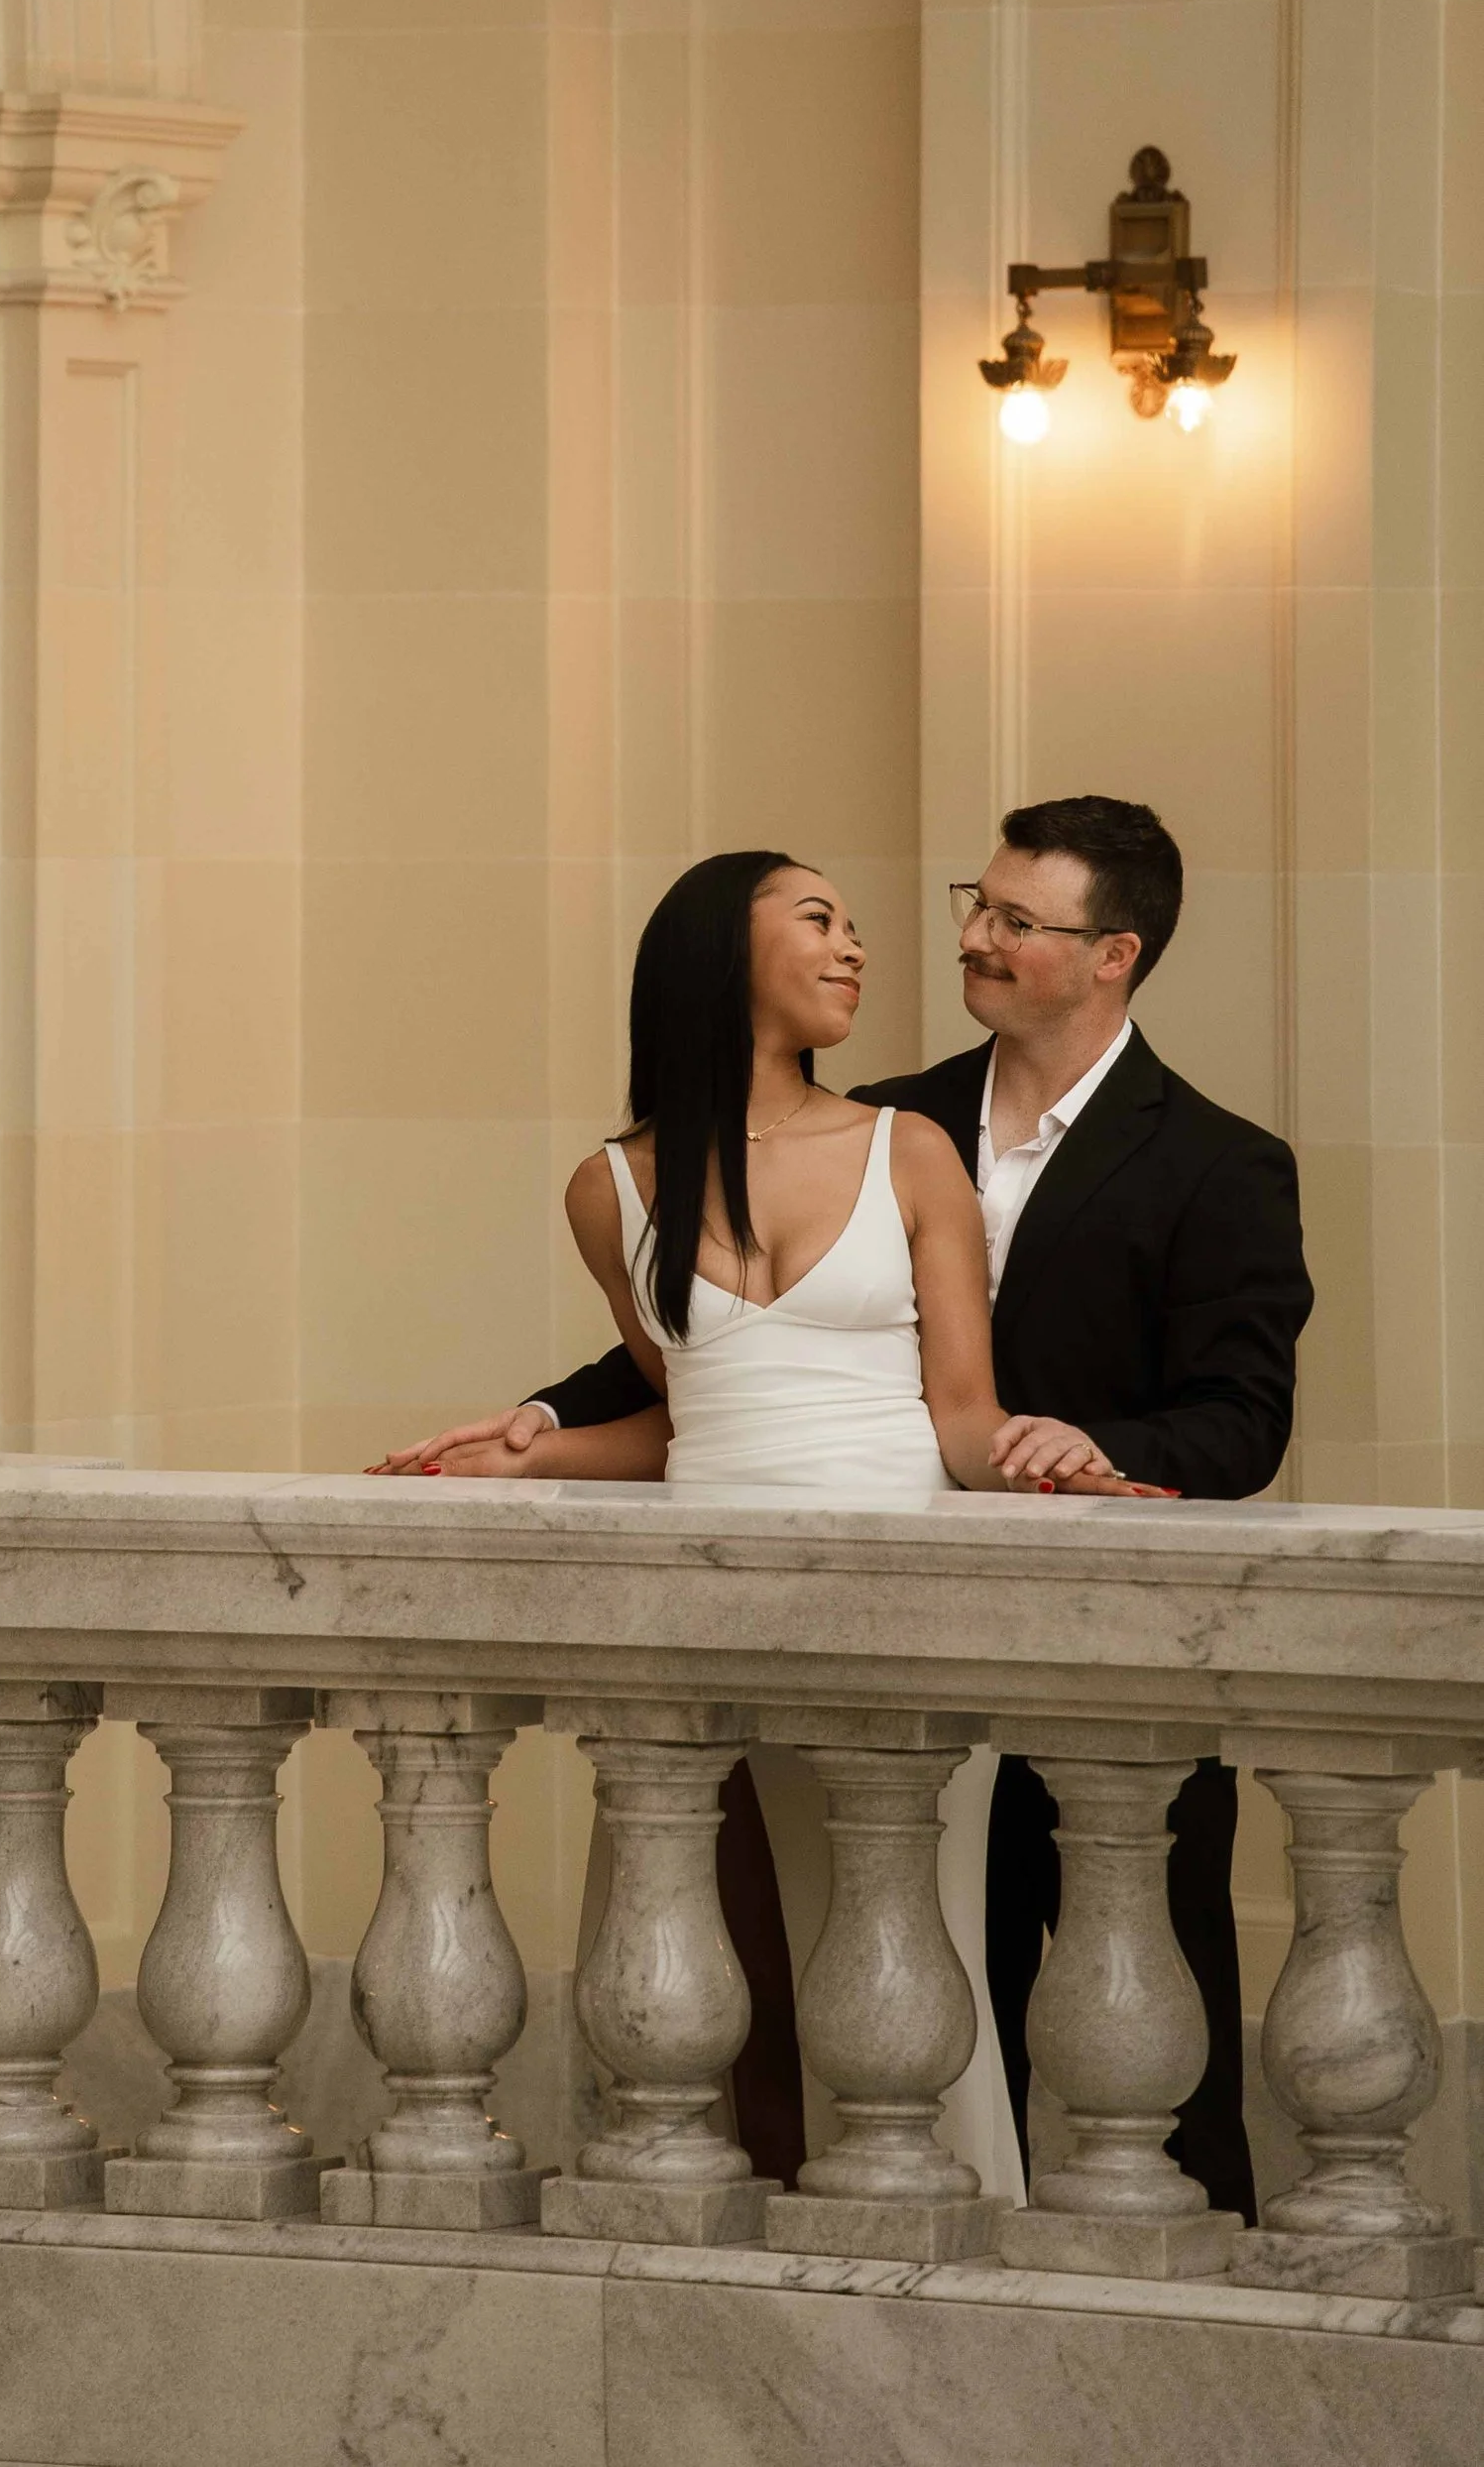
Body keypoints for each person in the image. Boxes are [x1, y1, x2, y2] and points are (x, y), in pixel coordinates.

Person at [378, 795, 1313, 2221]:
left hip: (1049, 1599)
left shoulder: (1219, 1161)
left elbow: (1237, 1421)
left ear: (1110, 952)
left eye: (1012, 917)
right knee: (780, 1957)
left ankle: (1194, 2303)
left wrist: (1072, 1450)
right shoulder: (891, 1112)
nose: (967, 934)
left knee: (1143, 1984)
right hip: (759, 1593)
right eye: (974, 902)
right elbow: (718, 1361)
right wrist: (544, 1425)